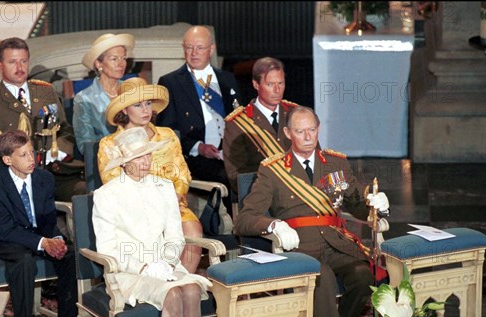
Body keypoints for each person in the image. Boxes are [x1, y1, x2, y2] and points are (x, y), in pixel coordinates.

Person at [234, 106, 390, 317]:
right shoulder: (273, 171)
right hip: (297, 247)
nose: (308, 137)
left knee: (364, 274)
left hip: (335, 242)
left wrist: (377, 205)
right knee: (323, 276)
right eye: (300, 131)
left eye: (312, 130)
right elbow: (244, 219)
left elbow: (357, 206)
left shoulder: (336, 162)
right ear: (287, 133)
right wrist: (274, 225)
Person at [92, 126, 212, 317]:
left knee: (191, 289)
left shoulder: (164, 186)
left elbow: (175, 234)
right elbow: (108, 247)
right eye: (138, 158)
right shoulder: (106, 196)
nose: (146, 162)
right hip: (129, 271)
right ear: (123, 163)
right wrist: (145, 265)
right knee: (174, 294)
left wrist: (168, 261)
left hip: (166, 265)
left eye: (148, 156)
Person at [0, 130, 82, 317]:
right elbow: (5, 230)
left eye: (32, 152)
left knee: (71, 256)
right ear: (7, 160)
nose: (30, 159)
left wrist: (56, 240)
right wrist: (43, 243)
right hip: (3, 240)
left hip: (37, 235)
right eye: (23, 155)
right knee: (23, 262)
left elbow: (47, 219)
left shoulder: (44, 179)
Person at [99, 78, 203, 274]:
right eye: (137, 105)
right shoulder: (109, 143)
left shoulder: (168, 135)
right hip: (133, 209)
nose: (145, 110)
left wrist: (174, 196)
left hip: (173, 203)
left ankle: (179, 280)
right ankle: (153, 285)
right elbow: (113, 183)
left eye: (148, 104)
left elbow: (182, 172)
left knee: (193, 232)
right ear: (123, 110)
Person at [0, 37, 86, 202]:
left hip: (57, 173)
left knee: (89, 194)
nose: (19, 67)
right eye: (12, 62)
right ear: (0, 66)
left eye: (23, 61)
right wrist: (29, 158)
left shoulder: (45, 91)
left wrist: (57, 151)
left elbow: (64, 130)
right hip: (19, 179)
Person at [156, 25, 242, 210]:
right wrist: (198, 147)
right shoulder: (170, 82)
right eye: (189, 47)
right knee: (225, 176)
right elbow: (168, 132)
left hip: (229, 153)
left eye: (200, 47)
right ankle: (233, 232)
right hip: (196, 157)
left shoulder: (227, 79)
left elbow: (239, 120)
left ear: (211, 49)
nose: (194, 53)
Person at [224, 57, 320, 194]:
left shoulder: (297, 114)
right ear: (256, 85)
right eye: (270, 84)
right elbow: (237, 178)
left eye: (280, 83)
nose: (277, 90)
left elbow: (317, 159)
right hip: (263, 201)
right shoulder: (238, 123)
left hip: (304, 196)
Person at [73, 33, 135, 156]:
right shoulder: (84, 99)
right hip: (105, 162)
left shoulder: (132, 90)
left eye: (123, 58)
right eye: (114, 59)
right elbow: (86, 145)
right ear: (98, 64)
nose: (121, 64)